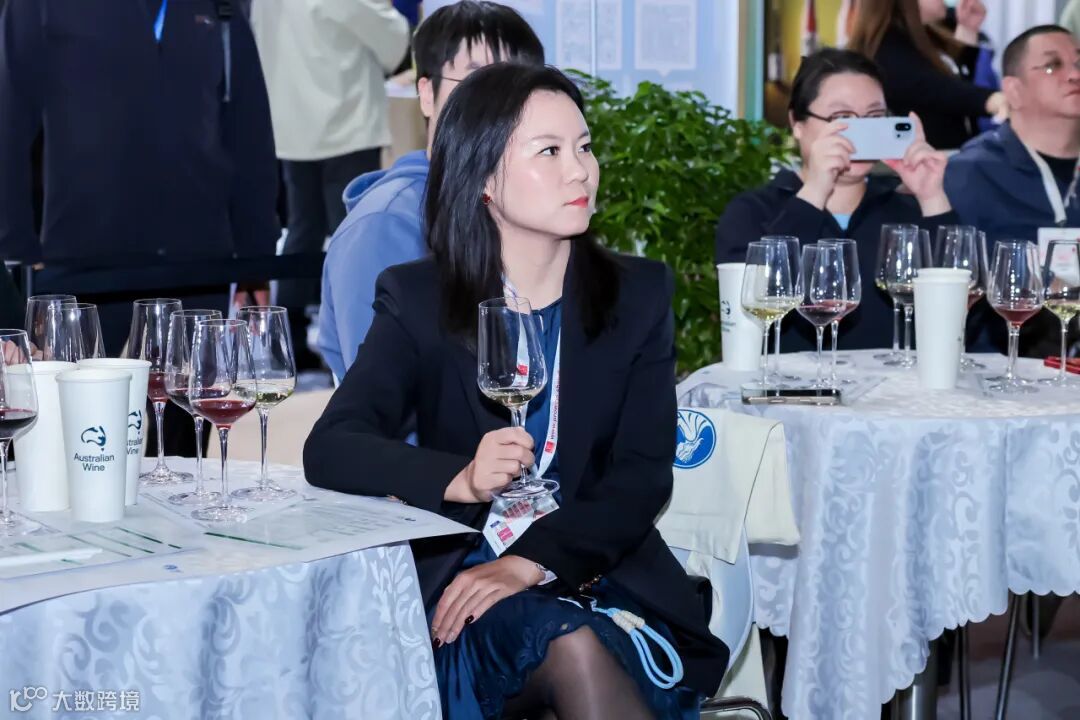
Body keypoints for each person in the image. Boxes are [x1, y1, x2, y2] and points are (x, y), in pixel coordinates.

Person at [304, 63, 728, 719]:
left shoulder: (637, 295)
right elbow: (332, 446)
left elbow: (641, 478)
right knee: (567, 645)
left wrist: (532, 562)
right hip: (465, 580)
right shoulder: (421, 299)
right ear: (483, 179)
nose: (580, 171)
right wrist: (461, 479)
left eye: (584, 147)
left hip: (596, 571)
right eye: (549, 152)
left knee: (579, 641)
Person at [0, 0, 278, 456]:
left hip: (200, 258)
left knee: (186, 443)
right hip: (81, 259)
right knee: (77, 438)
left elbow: (250, 135)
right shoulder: (39, 6)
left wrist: (256, 261)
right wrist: (17, 250)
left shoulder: (220, 8)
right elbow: (9, 124)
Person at [316, 0, 544, 382]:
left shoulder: (522, 205)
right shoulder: (386, 225)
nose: (499, 101)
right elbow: (381, 394)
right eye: (476, 79)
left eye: (518, 84)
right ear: (426, 94)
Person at [715, 48, 958, 351]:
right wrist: (815, 190)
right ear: (797, 123)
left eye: (873, 117)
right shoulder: (752, 211)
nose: (858, 133)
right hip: (788, 380)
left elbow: (960, 319)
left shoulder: (906, 211)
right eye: (842, 117)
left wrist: (932, 196)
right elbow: (754, 308)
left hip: (891, 381)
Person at [249, 0, 409, 369]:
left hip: (291, 120)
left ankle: (286, 339)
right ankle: (356, 341)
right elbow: (392, 38)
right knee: (353, 236)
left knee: (303, 231)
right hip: (345, 120)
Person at [847, 0, 1006, 149]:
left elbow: (957, 82)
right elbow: (937, 89)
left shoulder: (925, 35)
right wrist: (991, 100)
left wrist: (967, 30)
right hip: (923, 162)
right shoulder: (887, 49)